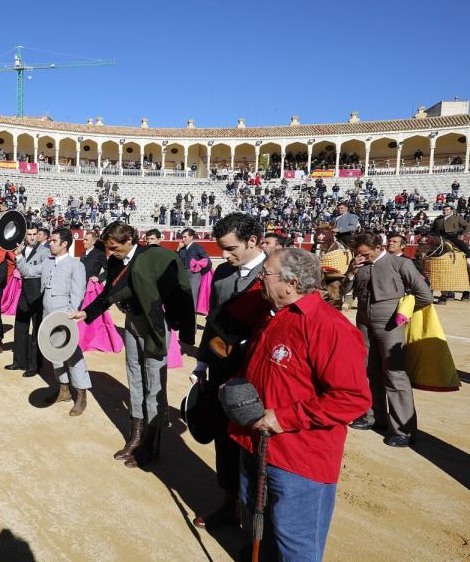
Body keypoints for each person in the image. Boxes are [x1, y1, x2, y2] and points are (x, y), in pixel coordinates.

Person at [232, 248, 371, 562]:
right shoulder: (273, 315)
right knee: (259, 528)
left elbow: (353, 398)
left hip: (298, 456)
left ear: (290, 283)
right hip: (257, 444)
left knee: (294, 542)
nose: (259, 279)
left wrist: (283, 418)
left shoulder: (329, 326)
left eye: (265, 273)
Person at [72, 222, 194, 468]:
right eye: (108, 247)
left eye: (114, 247)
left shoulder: (151, 257)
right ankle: (136, 437)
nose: (111, 252)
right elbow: (108, 293)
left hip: (154, 326)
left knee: (155, 382)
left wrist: (172, 322)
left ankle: (152, 445)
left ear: (129, 239)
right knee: (135, 377)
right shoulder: (117, 261)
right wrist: (86, 313)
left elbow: (175, 292)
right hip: (132, 324)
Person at [190, 212, 266, 529]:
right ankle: (228, 503)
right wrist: (203, 360)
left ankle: (256, 513)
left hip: (258, 377)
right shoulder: (222, 274)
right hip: (222, 371)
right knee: (224, 437)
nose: (225, 256)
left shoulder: (275, 274)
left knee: (254, 445)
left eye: (231, 248)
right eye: (222, 248)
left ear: (252, 241)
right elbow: (214, 323)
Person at [340, 232, 433, 447]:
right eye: (358, 254)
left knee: (395, 373)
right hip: (363, 321)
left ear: (378, 247)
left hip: (391, 323)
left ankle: (403, 429)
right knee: (367, 369)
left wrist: (404, 312)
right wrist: (352, 273)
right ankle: (374, 416)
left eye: (365, 253)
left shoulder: (400, 263)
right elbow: (344, 291)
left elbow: (424, 295)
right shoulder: (359, 264)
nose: (362, 257)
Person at [40, 228, 90, 416]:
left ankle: (82, 393)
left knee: (72, 354)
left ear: (64, 244)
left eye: (54, 240)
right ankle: (64, 390)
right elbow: (31, 272)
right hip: (47, 314)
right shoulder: (47, 262)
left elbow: (77, 293)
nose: (50, 243)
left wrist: (70, 317)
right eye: (50, 240)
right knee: (54, 353)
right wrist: (19, 257)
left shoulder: (76, 265)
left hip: (64, 316)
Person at [7, 225, 50, 377]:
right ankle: (19, 361)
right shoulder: (22, 249)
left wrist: (18, 257)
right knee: (20, 326)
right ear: (25, 237)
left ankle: (35, 365)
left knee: (36, 329)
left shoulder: (45, 251)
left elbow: (28, 272)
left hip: (38, 292)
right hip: (25, 291)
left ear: (39, 235)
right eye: (29, 234)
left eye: (35, 234)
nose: (32, 237)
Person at [177, 228, 211, 308]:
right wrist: (178, 249)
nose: (183, 239)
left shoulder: (197, 247)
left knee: (192, 297)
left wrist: (199, 272)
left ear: (191, 237)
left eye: (185, 237)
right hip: (182, 275)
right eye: (182, 237)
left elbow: (207, 261)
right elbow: (175, 260)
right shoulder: (182, 248)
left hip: (193, 275)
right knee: (182, 296)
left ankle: (192, 319)